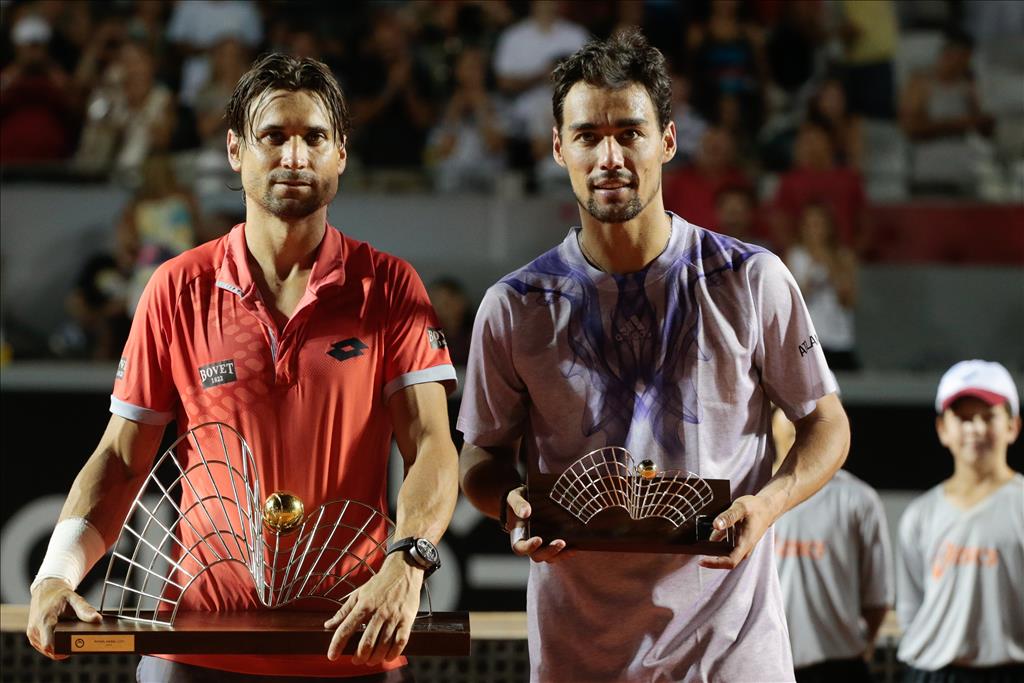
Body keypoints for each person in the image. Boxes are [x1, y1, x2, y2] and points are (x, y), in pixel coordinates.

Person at [26, 53, 460, 682]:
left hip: (350, 646)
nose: (294, 156)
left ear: (341, 154)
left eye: (314, 137)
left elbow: (430, 446)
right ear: (235, 150)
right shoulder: (177, 288)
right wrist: (55, 575)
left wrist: (409, 561)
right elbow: (122, 457)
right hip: (193, 646)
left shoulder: (388, 285)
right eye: (273, 136)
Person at [458, 29, 850, 683]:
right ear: (559, 148)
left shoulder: (752, 278)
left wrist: (771, 500)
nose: (609, 155)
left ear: (667, 140)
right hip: (580, 654)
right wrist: (511, 503)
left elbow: (826, 422)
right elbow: (481, 458)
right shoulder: (514, 305)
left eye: (629, 132)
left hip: (732, 649)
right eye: (587, 135)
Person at [896, 360, 1023, 683]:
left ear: (1012, 426)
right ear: (943, 429)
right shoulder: (920, 515)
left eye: (988, 416)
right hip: (931, 673)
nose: (975, 429)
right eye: (964, 418)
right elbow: (911, 612)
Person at [771, 407, 893, 683]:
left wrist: (864, 644)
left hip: (837, 664)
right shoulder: (749, 495)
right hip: (765, 661)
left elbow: (877, 597)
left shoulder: (857, 499)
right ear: (772, 430)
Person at [784, 203, 859, 371]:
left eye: (819, 224)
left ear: (830, 228)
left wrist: (831, 265)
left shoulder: (844, 256)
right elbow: (790, 303)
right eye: (809, 225)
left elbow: (849, 300)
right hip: (807, 341)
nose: (815, 231)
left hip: (839, 339)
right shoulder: (794, 256)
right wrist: (810, 275)